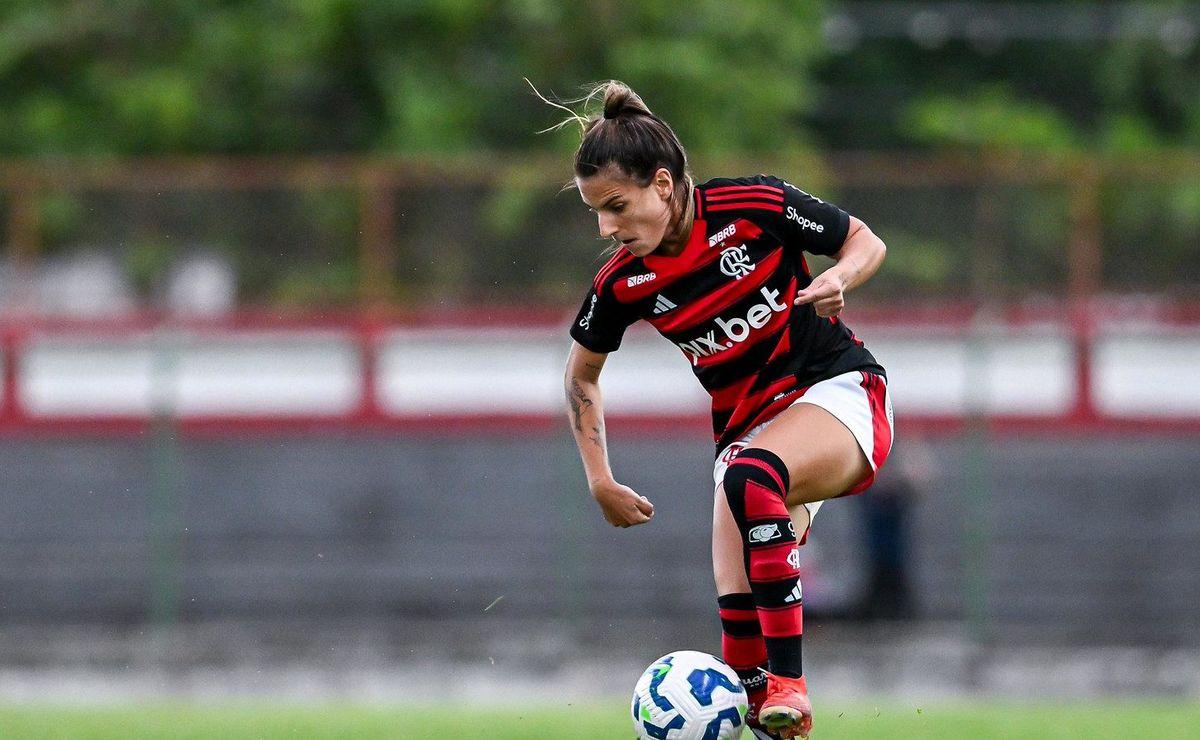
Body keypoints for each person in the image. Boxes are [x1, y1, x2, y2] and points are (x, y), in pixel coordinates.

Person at [557, 81, 893, 740]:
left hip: (837, 394)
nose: (606, 228)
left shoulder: (753, 206)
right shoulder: (623, 282)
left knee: (751, 479)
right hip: (748, 435)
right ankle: (773, 702)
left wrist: (837, 278)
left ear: (662, 184)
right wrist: (599, 477)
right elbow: (581, 375)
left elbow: (864, 241)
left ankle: (795, 684)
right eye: (595, 212)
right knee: (744, 671)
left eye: (616, 206)